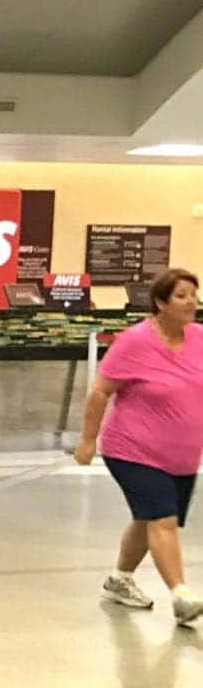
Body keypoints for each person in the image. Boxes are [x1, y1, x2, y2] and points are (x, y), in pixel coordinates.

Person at [75, 267, 203, 626]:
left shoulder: (200, 339)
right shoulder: (134, 342)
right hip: (132, 450)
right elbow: (100, 391)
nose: (191, 301)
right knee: (163, 519)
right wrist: (87, 441)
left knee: (147, 518)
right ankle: (181, 594)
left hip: (181, 456)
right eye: (181, 295)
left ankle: (120, 579)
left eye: (194, 294)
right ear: (161, 303)